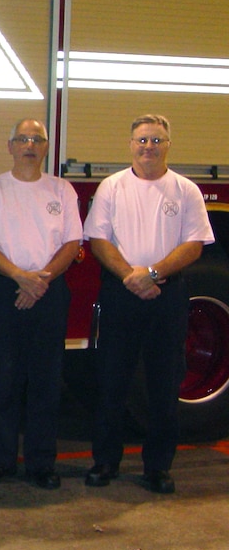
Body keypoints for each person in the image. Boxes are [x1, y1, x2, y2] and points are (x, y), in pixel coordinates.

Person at [83, 113, 213, 494]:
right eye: (142, 140)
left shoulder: (186, 190)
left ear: (168, 145)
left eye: (156, 140)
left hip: (166, 295)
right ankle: (105, 462)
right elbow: (99, 240)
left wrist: (152, 274)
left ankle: (157, 468)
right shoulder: (111, 187)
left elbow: (193, 244)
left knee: (163, 382)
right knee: (111, 381)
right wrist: (129, 275)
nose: (149, 147)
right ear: (130, 145)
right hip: (122, 293)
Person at [0, 119, 81, 490]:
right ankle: (0, 461)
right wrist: (21, 277)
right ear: (10, 145)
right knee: (5, 379)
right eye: (23, 138)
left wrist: (41, 279)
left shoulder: (62, 190)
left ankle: (40, 464)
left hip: (49, 291)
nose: (30, 145)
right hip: (7, 292)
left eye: (37, 139)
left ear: (47, 147)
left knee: (45, 382)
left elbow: (72, 243)